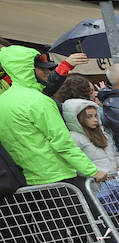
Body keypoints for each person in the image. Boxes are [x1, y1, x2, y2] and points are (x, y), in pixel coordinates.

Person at [0, 45, 109, 189]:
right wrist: (92, 170)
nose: (47, 71)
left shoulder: (4, 100)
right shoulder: (39, 100)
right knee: (91, 212)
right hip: (59, 177)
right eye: (42, 68)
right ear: (26, 70)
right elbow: (62, 143)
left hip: (27, 181)